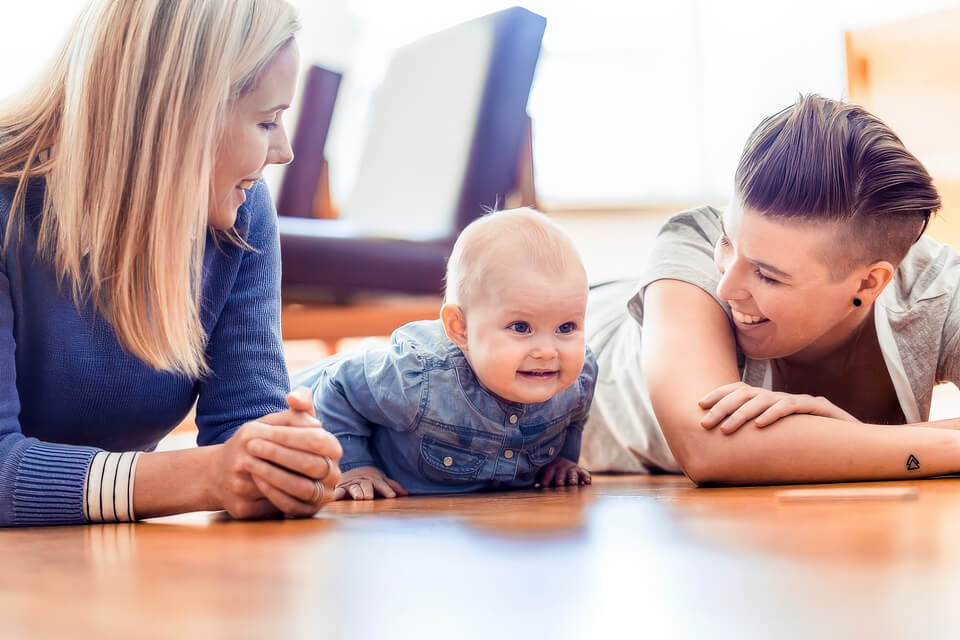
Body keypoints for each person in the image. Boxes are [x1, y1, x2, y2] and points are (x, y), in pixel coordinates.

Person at [0, 0, 342, 527]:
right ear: (184, 115)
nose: (286, 151)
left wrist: (281, 466)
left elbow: (244, 427)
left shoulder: (240, 213)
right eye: (267, 121)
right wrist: (203, 477)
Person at [581, 94, 960, 485]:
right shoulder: (690, 244)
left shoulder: (938, 291)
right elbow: (709, 447)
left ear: (868, 282)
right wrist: (943, 446)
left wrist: (862, 441)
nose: (726, 287)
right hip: (543, 352)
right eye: (727, 241)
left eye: (768, 275)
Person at [293, 209, 597, 499]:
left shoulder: (577, 380)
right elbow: (339, 385)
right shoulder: (421, 379)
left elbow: (572, 418)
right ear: (460, 328)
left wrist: (560, 460)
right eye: (521, 327)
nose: (547, 351)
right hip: (299, 397)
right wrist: (355, 466)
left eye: (566, 327)